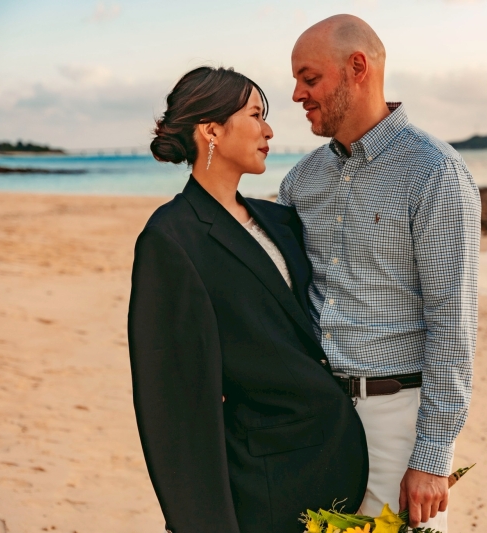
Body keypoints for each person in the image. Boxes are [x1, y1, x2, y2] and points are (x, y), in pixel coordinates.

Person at [127, 66, 368, 533]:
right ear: (211, 129)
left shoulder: (279, 220)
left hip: (341, 462)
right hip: (265, 488)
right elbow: (175, 403)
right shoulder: (170, 238)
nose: (269, 130)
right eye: (256, 115)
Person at [279, 15, 481, 532]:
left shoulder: (435, 172)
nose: (298, 94)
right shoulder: (300, 182)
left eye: (309, 78)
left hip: (396, 423)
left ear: (357, 68)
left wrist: (433, 455)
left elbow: (452, 324)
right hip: (316, 417)